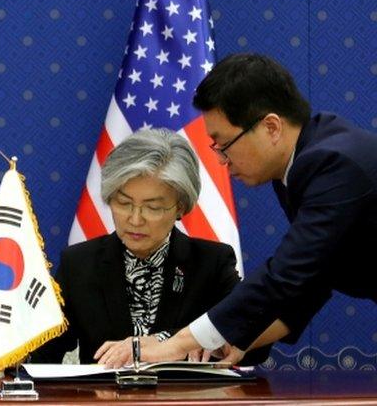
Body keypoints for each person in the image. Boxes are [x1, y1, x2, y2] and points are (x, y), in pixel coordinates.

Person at [98, 53, 377, 367]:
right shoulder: (302, 165)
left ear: (271, 127)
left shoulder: (332, 166)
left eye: (223, 144)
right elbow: (310, 282)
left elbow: (285, 275)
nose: (221, 160)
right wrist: (239, 339)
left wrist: (174, 345)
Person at [30, 129, 269, 366]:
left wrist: (171, 341)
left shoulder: (211, 262)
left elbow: (252, 339)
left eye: (153, 207)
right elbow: (42, 353)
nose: (135, 219)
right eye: (123, 203)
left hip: (184, 401)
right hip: (104, 400)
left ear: (180, 207)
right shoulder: (80, 263)